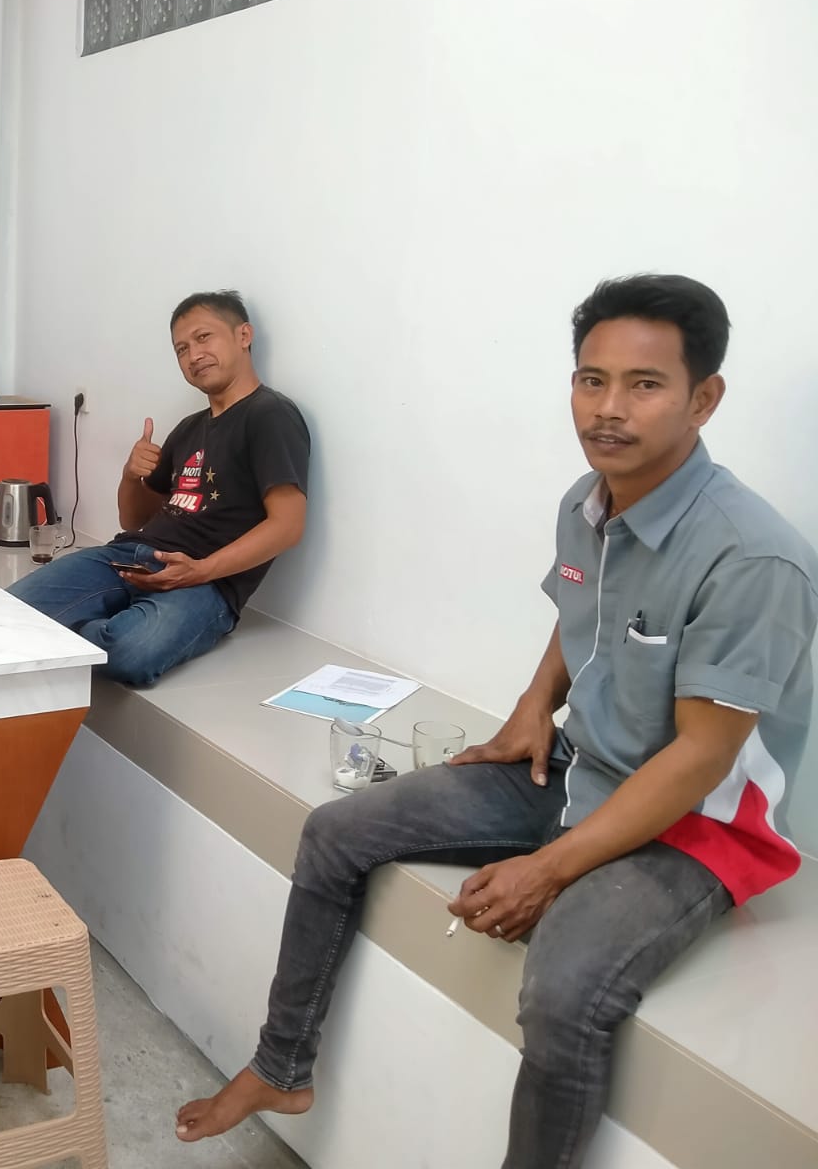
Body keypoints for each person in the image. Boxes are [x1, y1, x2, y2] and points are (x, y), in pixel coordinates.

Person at [175, 275, 818, 1169]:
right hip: (578, 769)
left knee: (564, 991)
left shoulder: (754, 557)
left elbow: (703, 758)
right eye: (591, 380)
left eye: (644, 384)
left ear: (703, 399)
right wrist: (531, 709)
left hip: (693, 827)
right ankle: (281, 1068)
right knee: (335, 831)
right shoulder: (588, 501)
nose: (608, 407)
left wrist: (546, 870)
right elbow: (584, 613)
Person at [9, 290, 309, 685]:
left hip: (206, 583)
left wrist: (199, 571)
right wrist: (130, 475)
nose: (194, 355)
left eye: (204, 337)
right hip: (128, 556)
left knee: (128, 653)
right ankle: (82, 627)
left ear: (243, 335)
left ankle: (68, 632)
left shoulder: (270, 414)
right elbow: (133, 518)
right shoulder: (189, 428)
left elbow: (288, 525)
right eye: (181, 349)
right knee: (8, 612)